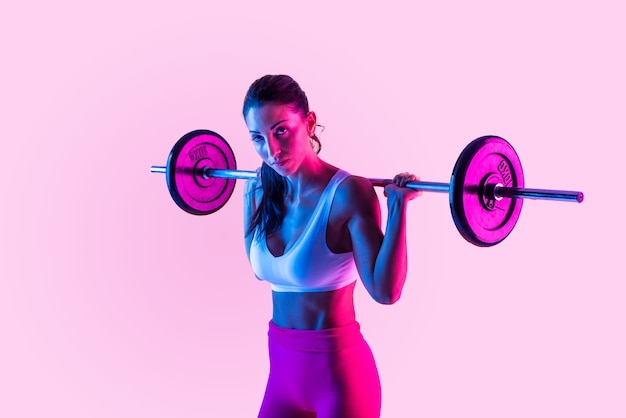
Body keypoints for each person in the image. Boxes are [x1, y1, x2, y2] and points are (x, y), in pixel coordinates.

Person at [243, 74, 420, 418]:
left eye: (281, 131)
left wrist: (398, 208)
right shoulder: (256, 191)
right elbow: (258, 269)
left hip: (339, 378)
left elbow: (386, 292)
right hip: (281, 373)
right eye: (257, 138)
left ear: (308, 123)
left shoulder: (347, 194)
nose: (272, 151)